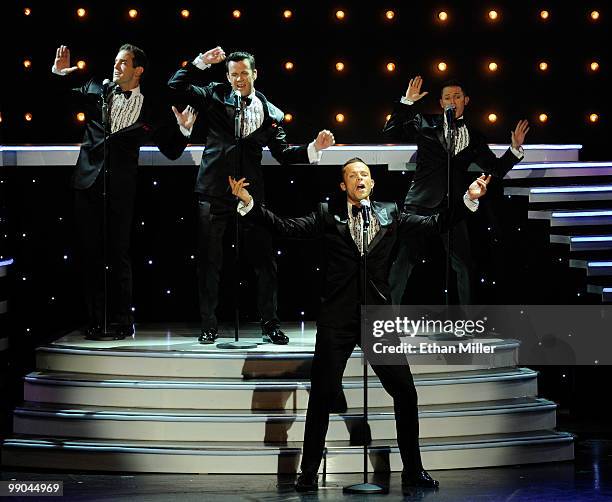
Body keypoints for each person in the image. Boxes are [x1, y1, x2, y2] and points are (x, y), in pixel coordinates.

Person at [228, 158, 491, 492]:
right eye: (352, 176)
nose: (359, 179)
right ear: (343, 186)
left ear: (373, 182)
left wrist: (469, 199)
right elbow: (286, 227)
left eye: (364, 174)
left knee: (405, 392)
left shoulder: (391, 212)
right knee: (322, 396)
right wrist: (250, 205)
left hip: (378, 318)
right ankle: (308, 472)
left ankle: (413, 470)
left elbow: (434, 223)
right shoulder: (327, 214)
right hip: (337, 318)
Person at [167, 46, 335, 345]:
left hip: (249, 195)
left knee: (264, 261)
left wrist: (314, 148)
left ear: (255, 74)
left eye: (244, 73)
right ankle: (209, 325)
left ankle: (270, 324)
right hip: (214, 190)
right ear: (227, 76)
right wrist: (200, 62)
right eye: (233, 74)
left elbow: (283, 154)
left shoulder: (271, 114)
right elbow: (175, 86)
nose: (239, 79)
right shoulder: (215, 95)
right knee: (210, 261)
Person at [52, 44, 197, 339]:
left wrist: (184, 131)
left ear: (138, 70)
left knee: (118, 255)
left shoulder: (150, 107)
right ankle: (95, 320)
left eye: (123, 63)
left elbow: (170, 150)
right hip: (88, 183)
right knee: (91, 255)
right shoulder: (97, 90)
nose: (116, 67)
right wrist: (58, 74)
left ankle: (120, 321)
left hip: (120, 188)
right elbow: (59, 100)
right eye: (116, 62)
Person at [383, 76, 529, 305]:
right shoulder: (424, 122)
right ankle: (385, 323)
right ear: (441, 103)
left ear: (466, 100)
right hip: (421, 203)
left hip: (454, 207)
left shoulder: (475, 136)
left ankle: (467, 325)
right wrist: (407, 103)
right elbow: (390, 132)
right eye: (448, 97)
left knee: (464, 265)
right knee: (403, 264)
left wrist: (515, 149)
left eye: (457, 96)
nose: (453, 100)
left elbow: (497, 169)